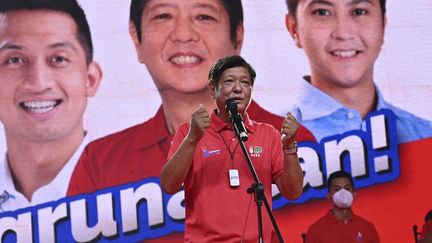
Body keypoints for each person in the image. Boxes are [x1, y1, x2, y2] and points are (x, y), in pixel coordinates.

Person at [67, 0, 314, 195]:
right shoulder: (100, 164)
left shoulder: (292, 141)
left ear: (237, 36)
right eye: (163, 16)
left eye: (203, 16)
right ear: (136, 37)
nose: (183, 35)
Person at [160, 55, 304, 242]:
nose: (238, 88)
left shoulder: (267, 134)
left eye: (245, 82)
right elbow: (168, 185)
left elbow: (293, 193)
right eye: (229, 81)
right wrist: (192, 139)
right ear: (213, 89)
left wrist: (289, 146)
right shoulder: (189, 132)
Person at [0, 0, 102, 212]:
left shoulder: (153, 196)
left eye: (58, 58)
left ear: (90, 79)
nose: (38, 83)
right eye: (15, 60)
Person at [284, 0, 432, 143]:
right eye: (322, 12)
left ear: (383, 24)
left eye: (359, 11)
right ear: (293, 28)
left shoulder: (425, 138)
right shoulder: (267, 145)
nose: (343, 33)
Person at [305, 170, 379, 243]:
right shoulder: (316, 230)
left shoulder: (367, 228)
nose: (343, 193)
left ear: (354, 195)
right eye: (337, 189)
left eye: (347, 189)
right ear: (329, 196)